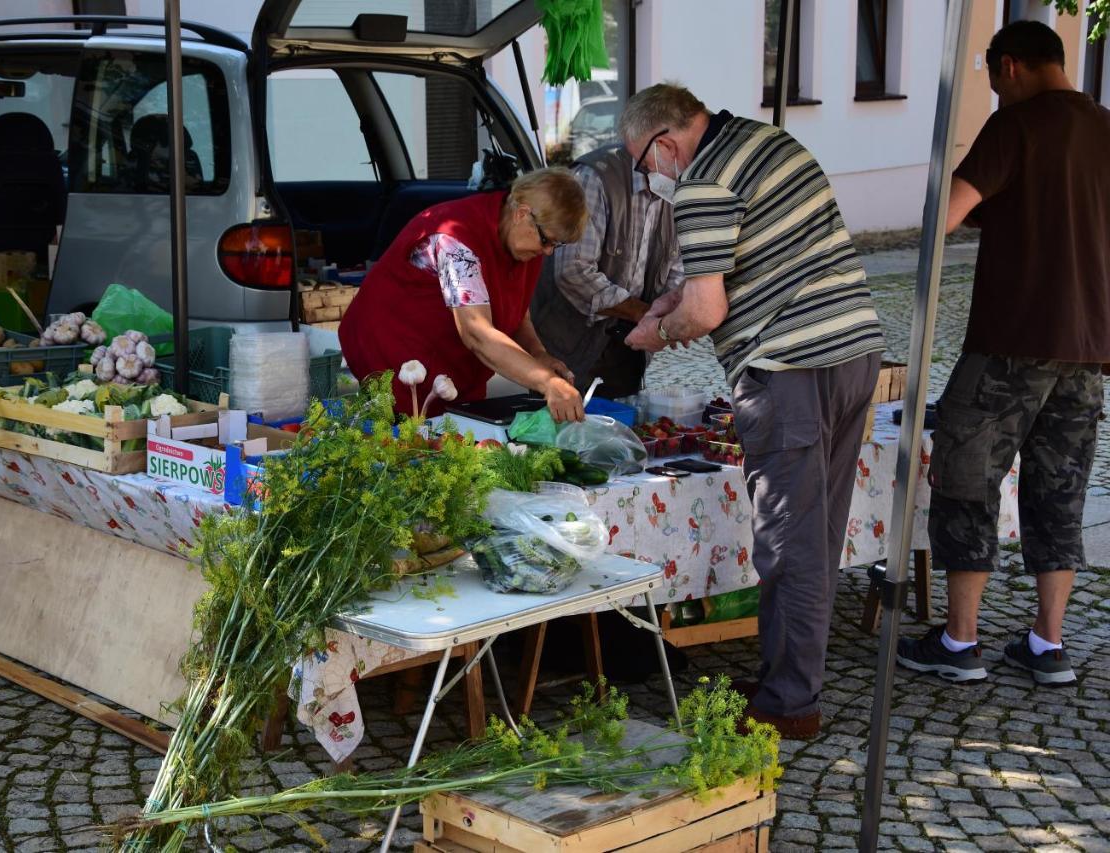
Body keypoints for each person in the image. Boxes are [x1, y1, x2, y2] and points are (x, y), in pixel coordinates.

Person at [621, 84, 887, 739]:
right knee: (815, 535)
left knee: (788, 542)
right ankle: (784, 678)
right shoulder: (766, 142)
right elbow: (739, 258)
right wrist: (672, 297)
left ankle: (792, 702)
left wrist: (658, 330)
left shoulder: (703, 183)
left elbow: (707, 311)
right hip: (851, 353)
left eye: (643, 163)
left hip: (790, 369)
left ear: (665, 142)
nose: (649, 177)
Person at [896, 21, 1110, 687]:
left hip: (1011, 340)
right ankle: (1048, 643)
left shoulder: (1017, 125)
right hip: (1089, 347)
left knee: (964, 475)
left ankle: (960, 640)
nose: (993, 93)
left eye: (992, 80)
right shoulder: (1105, 127)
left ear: (1010, 66)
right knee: (1061, 490)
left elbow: (949, 212)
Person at [339, 168, 588, 422]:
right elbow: (476, 333)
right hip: (394, 355)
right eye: (547, 241)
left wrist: (538, 355)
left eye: (556, 245)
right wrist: (546, 382)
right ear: (522, 214)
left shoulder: (524, 242)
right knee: (411, 442)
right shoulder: (456, 240)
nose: (548, 252)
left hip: (449, 367)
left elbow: (517, 314)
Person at [529, 138, 686, 399]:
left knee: (621, 430)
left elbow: (678, 269)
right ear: (664, 145)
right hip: (569, 342)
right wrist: (643, 312)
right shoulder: (596, 176)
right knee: (558, 432)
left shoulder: (678, 187)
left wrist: (668, 314)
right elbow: (573, 270)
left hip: (628, 345)